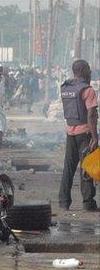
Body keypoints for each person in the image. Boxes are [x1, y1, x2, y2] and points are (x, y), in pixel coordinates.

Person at [58, 59, 98, 212]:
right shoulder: (87, 90)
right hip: (85, 133)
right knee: (86, 167)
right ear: (83, 70)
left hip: (70, 132)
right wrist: (95, 137)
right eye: (88, 68)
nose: (90, 71)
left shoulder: (66, 88)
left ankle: (63, 202)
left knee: (68, 167)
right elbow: (91, 116)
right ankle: (88, 203)